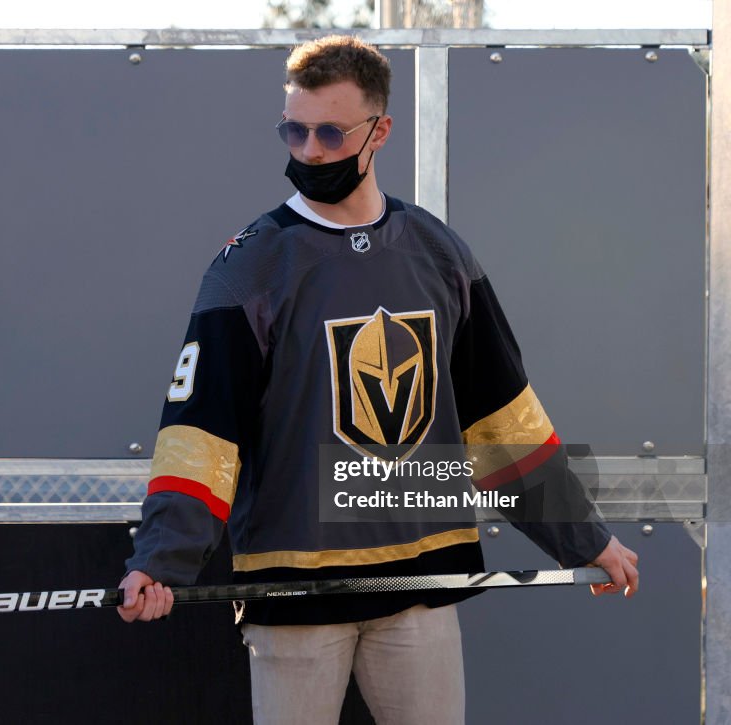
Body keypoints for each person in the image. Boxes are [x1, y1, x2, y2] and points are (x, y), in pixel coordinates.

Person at [117, 34, 639, 724]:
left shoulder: (438, 251)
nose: (308, 151)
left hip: (420, 583)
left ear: (380, 130)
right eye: (294, 130)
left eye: (330, 132)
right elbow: (200, 433)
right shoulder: (248, 267)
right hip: (294, 594)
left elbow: (501, 420)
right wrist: (161, 557)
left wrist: (584, 536)